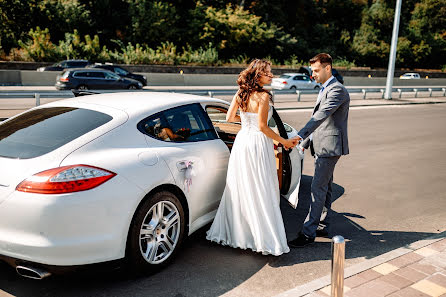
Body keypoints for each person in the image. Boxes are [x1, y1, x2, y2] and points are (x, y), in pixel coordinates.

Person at [206, 59, 298, 256]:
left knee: (242, 186)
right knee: (261, 187)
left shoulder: (241, 93)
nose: (271, 75)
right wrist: (284, 141)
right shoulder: (263, 96)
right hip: (257, 143)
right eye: (267, 72)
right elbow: (264, 127)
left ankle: (239, 234)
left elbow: (230, 117)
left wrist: (247, 119)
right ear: (258, 75)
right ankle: (261, 237)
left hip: (243, 142)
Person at [288, 53, 350, 248]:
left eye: (315, 70)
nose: (312, 74)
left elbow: (321, 116)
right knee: (327, 187)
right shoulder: (325, 88)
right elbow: (321, 121)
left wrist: (299, 136)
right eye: (312, 70)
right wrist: (305, 142)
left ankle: (308, 232)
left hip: (329, 147)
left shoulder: (336, 89)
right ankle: (322, 224)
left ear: (327, 68)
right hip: (322, 144)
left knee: (317, 188)